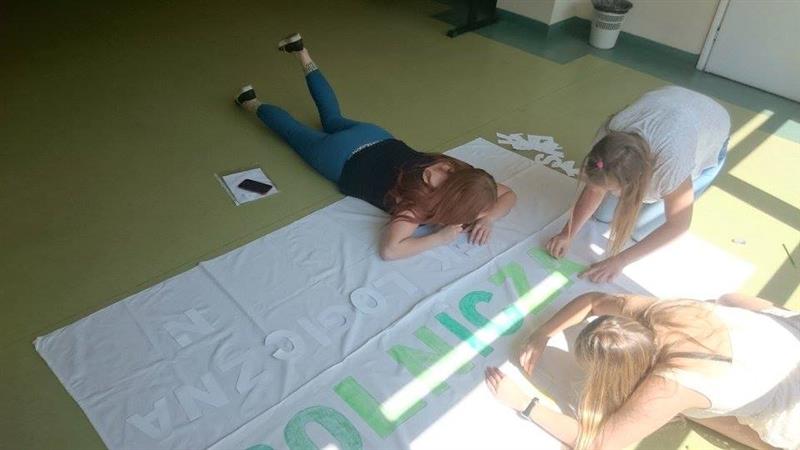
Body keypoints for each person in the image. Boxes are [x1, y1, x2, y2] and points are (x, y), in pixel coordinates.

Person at [234, 33, 516, 260]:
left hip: (374, 135)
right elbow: (390, 251)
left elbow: (506, 194)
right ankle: (250, 102)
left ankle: (301, 52)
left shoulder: (455, 169)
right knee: (293, 132)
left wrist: (488, 218)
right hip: (340, 157)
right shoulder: (418, 206)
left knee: (332, 118)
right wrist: (439, 238)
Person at [485, 292, 799, 450]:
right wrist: (543, 333)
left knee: (696, 412)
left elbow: (600, 443)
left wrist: (524, 403)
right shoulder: (664, 312)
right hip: (785, 338)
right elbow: (593, 300)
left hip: (791, 406)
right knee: (730, 299)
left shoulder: (669, 387)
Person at [547, 87, 731, 283]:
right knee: (601, 215)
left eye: (611, 189)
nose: (606, 192)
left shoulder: (671, 165)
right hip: (672, 102)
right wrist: (567, 233)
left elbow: (679, 225)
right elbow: (594, 188)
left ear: (636, 181)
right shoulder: (608, 137)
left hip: (711, 128)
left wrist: (620, 261)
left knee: (641, 231)